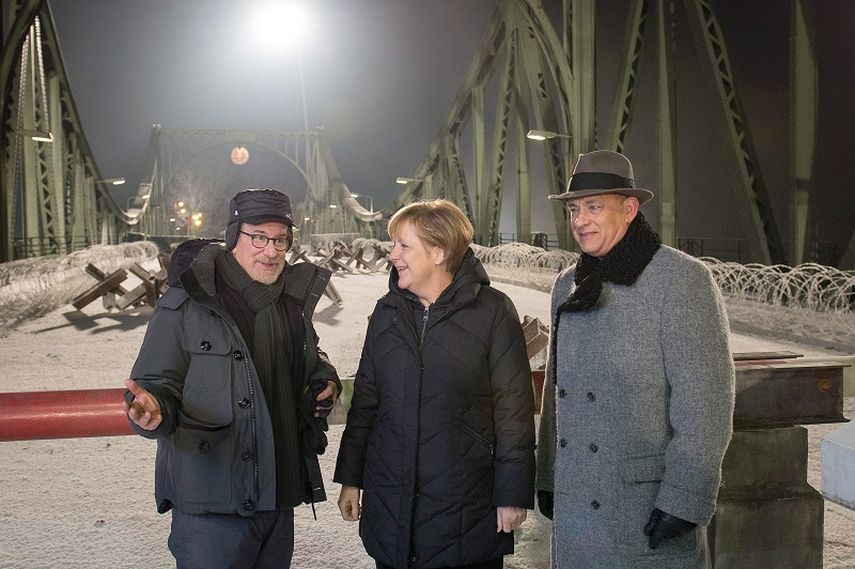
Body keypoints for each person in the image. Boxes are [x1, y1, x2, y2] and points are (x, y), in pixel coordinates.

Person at [536, 150, 735, 568]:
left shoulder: (681, 281)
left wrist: (685, 499)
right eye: (574, 209)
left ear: (629, 209)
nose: (580, 221)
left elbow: (706, 403)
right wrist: (549, 474)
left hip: (642, 509)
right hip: (577, 505)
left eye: (593, 207)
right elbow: (558, 394)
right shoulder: (567, 284)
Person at [123, 188, 340, 569]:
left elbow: (310, 358)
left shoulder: (291, 302)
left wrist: (324, 377)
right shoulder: (186, 302)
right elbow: (156, 383)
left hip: (278, 494)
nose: (271, 251)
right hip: (212, 504)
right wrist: (153, 410)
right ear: (233, 237)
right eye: (259, 237)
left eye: (281, 240)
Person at [334, 199, 536, 569]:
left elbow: (514, 409)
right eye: (392, 243)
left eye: (403, 245)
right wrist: (351, 478)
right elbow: (366, 401)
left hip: (465, 507)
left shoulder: (492, 311)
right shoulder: (386, 313)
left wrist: (512, 493)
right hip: (390, 505)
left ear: (439, 252)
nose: (392, 254)